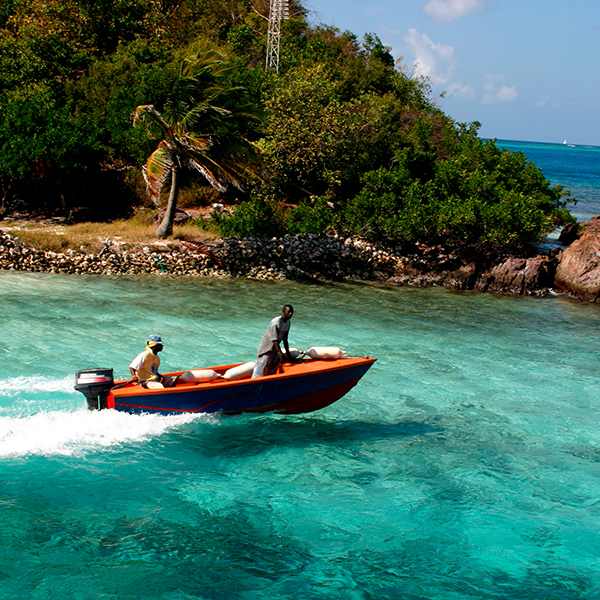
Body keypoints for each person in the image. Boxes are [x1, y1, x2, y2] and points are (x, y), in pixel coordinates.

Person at [252, 305, 295, 378]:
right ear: (283, 312)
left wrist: (288, 355)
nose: (290, 314)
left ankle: (269, 382)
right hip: (266, 349)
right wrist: (281, 354)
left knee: (273, 367)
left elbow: (285, 340)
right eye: (288, 312)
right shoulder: (276, 322)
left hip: (275, 350)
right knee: (261, 367)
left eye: (291, 312)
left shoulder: (288, 323)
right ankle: (253, 383)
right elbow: (274, 341)